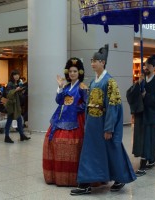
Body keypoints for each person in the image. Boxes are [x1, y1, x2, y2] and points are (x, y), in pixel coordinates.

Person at [70, 44, 136, 196]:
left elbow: (113, 106)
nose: (93, 63)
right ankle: (85, 183)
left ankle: (120, 177)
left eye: (96, 60)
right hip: (92, 124)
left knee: (112, 150)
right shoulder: (93, 82)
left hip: (103, 122)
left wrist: (109, 128)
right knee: (90, 152)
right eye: (92, 60)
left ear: (103, 62)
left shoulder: (110, 82)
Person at [43, 58, 88, 186]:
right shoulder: (66, 86)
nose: (72, 73)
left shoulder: (82, 87)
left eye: (74, 71)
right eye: (70, 71)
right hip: (61, 117)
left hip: (76, 119)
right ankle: (58, 175)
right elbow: (58, 100)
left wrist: (73, 109)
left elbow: (85, 104)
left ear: (79, 72)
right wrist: (60, 87)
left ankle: (73, 177)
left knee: (72, 147)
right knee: (53, 142)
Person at [135, 55, 155, 177]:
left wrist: (146, 96)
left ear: (154, 67)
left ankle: (143, 164)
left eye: (148, 66)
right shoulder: (142, 80)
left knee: (148, 139)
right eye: (145, 65)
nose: (146, 68)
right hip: (142, 114)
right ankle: (152, 160)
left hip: (151, 115)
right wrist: (138, 85)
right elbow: (133, 93)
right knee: (142, 138)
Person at [2, 70, 30, 143]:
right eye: (15, 75)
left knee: (19, 120)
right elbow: (8, 94)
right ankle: (7, 137)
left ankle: (21, 135)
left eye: (17, 74)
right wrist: (16, 90)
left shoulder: (17, 83)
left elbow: (18, 94)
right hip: (11, 105)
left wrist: (21, 90)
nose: (17, 76)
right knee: (9, 121)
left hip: (16, 105)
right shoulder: (10, 84)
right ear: (12, 76)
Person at [126, 75, 144, 158]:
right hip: (140, 112)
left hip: (139, 111)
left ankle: (139, 151)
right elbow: (130, 94)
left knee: (139, 133)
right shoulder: (137, 85)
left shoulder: (136, 86)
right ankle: (139, 151)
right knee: (139, 133)